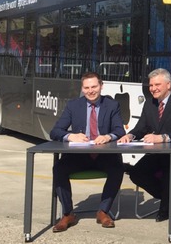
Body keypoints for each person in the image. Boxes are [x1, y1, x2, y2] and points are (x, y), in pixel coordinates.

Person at [118, 68, 171, 222]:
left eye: (157, 85)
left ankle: (167, 208)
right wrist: (130, 135)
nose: (153, 89)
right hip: (158, 153)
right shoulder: (150, 103)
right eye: (151, 85)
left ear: (168, 85)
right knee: (136, 174)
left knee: (169, 172)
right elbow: (142, 127)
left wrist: (163, 137)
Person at [49, 72, 126, 232]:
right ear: (82, 89)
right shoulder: (73, 105)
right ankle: (68, 214)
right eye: (87, 88)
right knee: (58, 169)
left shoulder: (112, 105)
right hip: (79, 156)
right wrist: (71, 136)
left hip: (103, 155)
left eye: (94, 87)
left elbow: (119, 130)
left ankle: (103, 211)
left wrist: (107, 136)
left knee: (118, 168)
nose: (91, 91)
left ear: (101, 86)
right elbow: (55, 131)